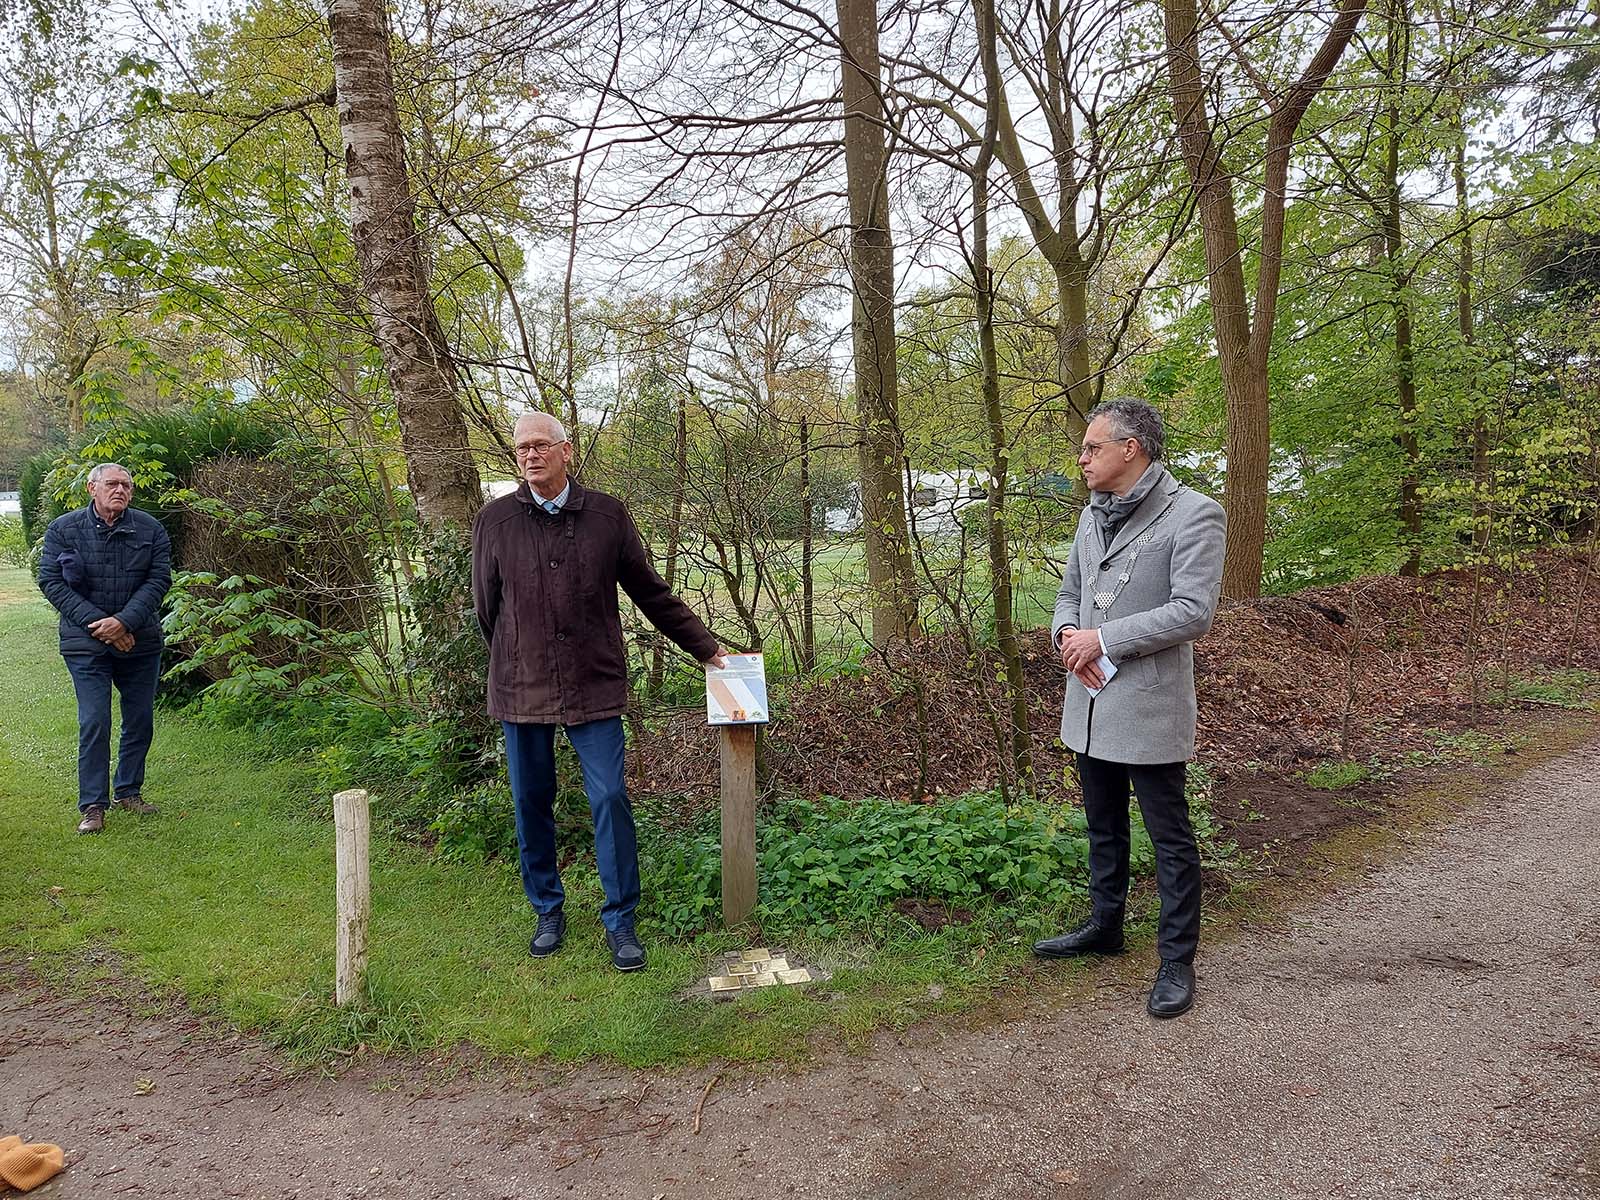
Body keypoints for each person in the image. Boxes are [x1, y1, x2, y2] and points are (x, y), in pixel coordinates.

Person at [472, 412, 725, 971]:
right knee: (530, 801)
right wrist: (518, 653)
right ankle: (547, 908)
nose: (531, 455)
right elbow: (487, 609)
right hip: (523, 686)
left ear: (567, 451)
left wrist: (705, 648)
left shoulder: (607, 516)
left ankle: (620, 919)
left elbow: (649, 592)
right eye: (522, 449)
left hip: (594, 682)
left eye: (542, 446)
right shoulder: (495, 521)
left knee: (610, 797)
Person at [1034, 398, 1225, 1019]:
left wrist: (1105, 639)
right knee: (1103, 824)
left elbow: (1192, 612)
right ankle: (1106, 926)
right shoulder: (1092, 515)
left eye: (1092, 448)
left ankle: (1176, 960)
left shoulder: (1195, 515)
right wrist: (1068, 636)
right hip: (1089, 695)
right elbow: (1071, 595)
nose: (1082, 459)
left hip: (1147, 703)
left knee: (1169, 837)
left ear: (1130, 449)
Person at [37, 462, 173, 835]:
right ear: (91, 488)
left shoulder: (150, 528)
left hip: (139, 641)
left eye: (127, 486)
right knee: (95, 720)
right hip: (86, 643)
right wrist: (105, 626)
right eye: (112, 484)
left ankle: (129, 791)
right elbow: (51, 582)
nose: (121, 491)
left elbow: (159, 580)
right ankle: (93, 805)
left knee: (140, 719)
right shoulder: (63, 529)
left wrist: (125, 623)